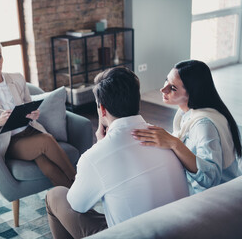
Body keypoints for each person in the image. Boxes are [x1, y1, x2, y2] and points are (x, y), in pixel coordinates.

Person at [45, 67, 189, 239]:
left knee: (54, 196)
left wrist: (100, 147)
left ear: (102, 109)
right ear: (137, 101)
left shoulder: (94, 157)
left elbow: (77, 205)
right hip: (177, 230)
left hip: (131, 234)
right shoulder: (166, 140)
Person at [0, 38, 76, 188]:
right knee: (46, 140)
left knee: (47, 166)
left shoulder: (16, 78)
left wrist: (33, 114)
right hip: (8, 141)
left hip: (30, 130)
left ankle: (71, 202)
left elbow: (28, 105)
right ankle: (78, 181)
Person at [132, 60, 241, 194]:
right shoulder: (185, 113)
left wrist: (175, 144)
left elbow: (210, 179)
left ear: (192, 92)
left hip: (218, 197)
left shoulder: (204, 126)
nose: (163, 89)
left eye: (173, 88)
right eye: (166, 80)